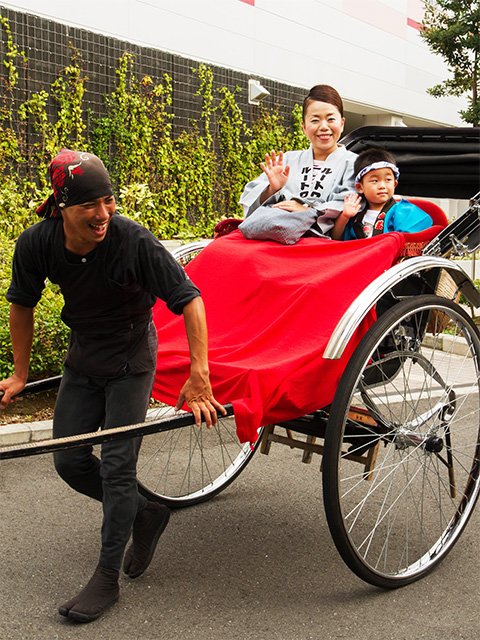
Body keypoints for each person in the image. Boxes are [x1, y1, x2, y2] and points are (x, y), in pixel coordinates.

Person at [0, 149, 225, 623]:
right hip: (84, 357)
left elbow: (190, 300)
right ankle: (145, 512)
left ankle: (106, 577)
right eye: (89, 205)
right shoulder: (37, 244)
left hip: (130, 357)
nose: (103, 214)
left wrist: (199, 375)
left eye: (109, 201)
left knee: (118, 467)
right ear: (62, 206)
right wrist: (21, 373)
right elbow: (21, 305)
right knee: (69, 460)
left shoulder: (133, 241)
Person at [238, 84, 357, 244]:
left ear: (342, 124)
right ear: (303, 127)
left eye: (330, 119)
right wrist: (273, 189)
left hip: (319, 242)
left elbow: (349, 203)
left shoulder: (354, 164)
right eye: (315, 120)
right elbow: (251, 199)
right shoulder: (287, 160)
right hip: (275, 236)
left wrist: (308, 211)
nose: (323, 127)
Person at [331, 148, 433, 240]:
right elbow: (336, 237)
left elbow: (411, 240)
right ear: (360, 187)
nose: (382, 186)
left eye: (388, 180)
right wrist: (345, 216)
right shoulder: (356, 213)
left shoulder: (404, 211)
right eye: (375, 181)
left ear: (394, 184)